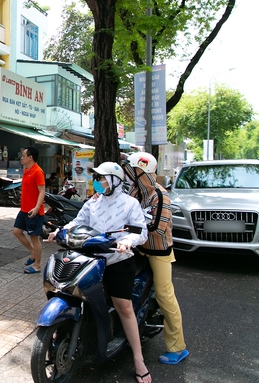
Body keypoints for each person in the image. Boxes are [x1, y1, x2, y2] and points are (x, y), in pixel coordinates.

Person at [47, 162, 151, 383]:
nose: (97, 181)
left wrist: (126, 241)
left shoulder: (130, 204)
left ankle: (138, 358)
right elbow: (78, 222)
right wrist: (59, 231)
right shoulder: (93, 203)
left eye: (102, 178)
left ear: (114, 181)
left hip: (118, 261)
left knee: (124, 307)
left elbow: (139, 231)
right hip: (92, 259)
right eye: (97, 177)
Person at [122, 152, 189, 366]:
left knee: (165, 296)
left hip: (158, 253)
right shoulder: (134, 191)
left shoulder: (160, 196)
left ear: (144, 172)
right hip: (137, 249)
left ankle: (177, 347)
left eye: (134, 171)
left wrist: (128, 228)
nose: (130, 176)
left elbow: (157, 228)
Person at [13, 146, 46, 274]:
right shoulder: (26, 170)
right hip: (24, 210)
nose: (21, 158)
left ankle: (37, 265)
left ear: (30, 157)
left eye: (24, 156)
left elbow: (42, 191)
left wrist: (37, 207)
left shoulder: (38, 171)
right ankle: (32, 252)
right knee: (16, 231)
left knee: (34, 237)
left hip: (34, 211)